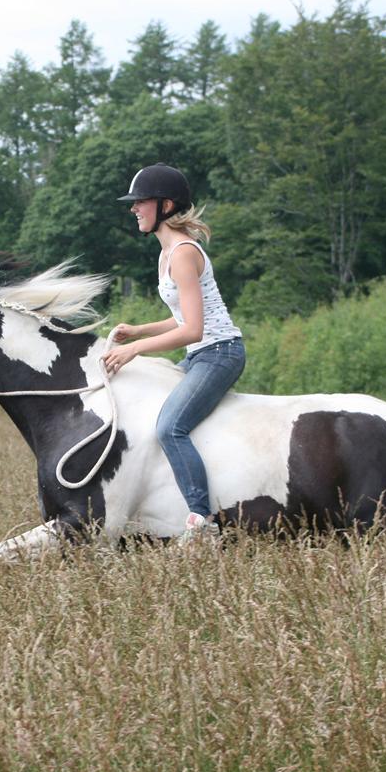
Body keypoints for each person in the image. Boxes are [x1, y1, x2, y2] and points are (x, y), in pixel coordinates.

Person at [103, 163, 245, 535]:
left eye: (141, 202)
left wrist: (137, 349)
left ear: (165, 205)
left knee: (170, 427)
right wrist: (137, 331)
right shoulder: (166, 253)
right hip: (201, 353)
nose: (134, 209)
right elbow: (180, 316)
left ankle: (203, 519)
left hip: (220, 353)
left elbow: (193, 330)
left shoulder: (182, 253)